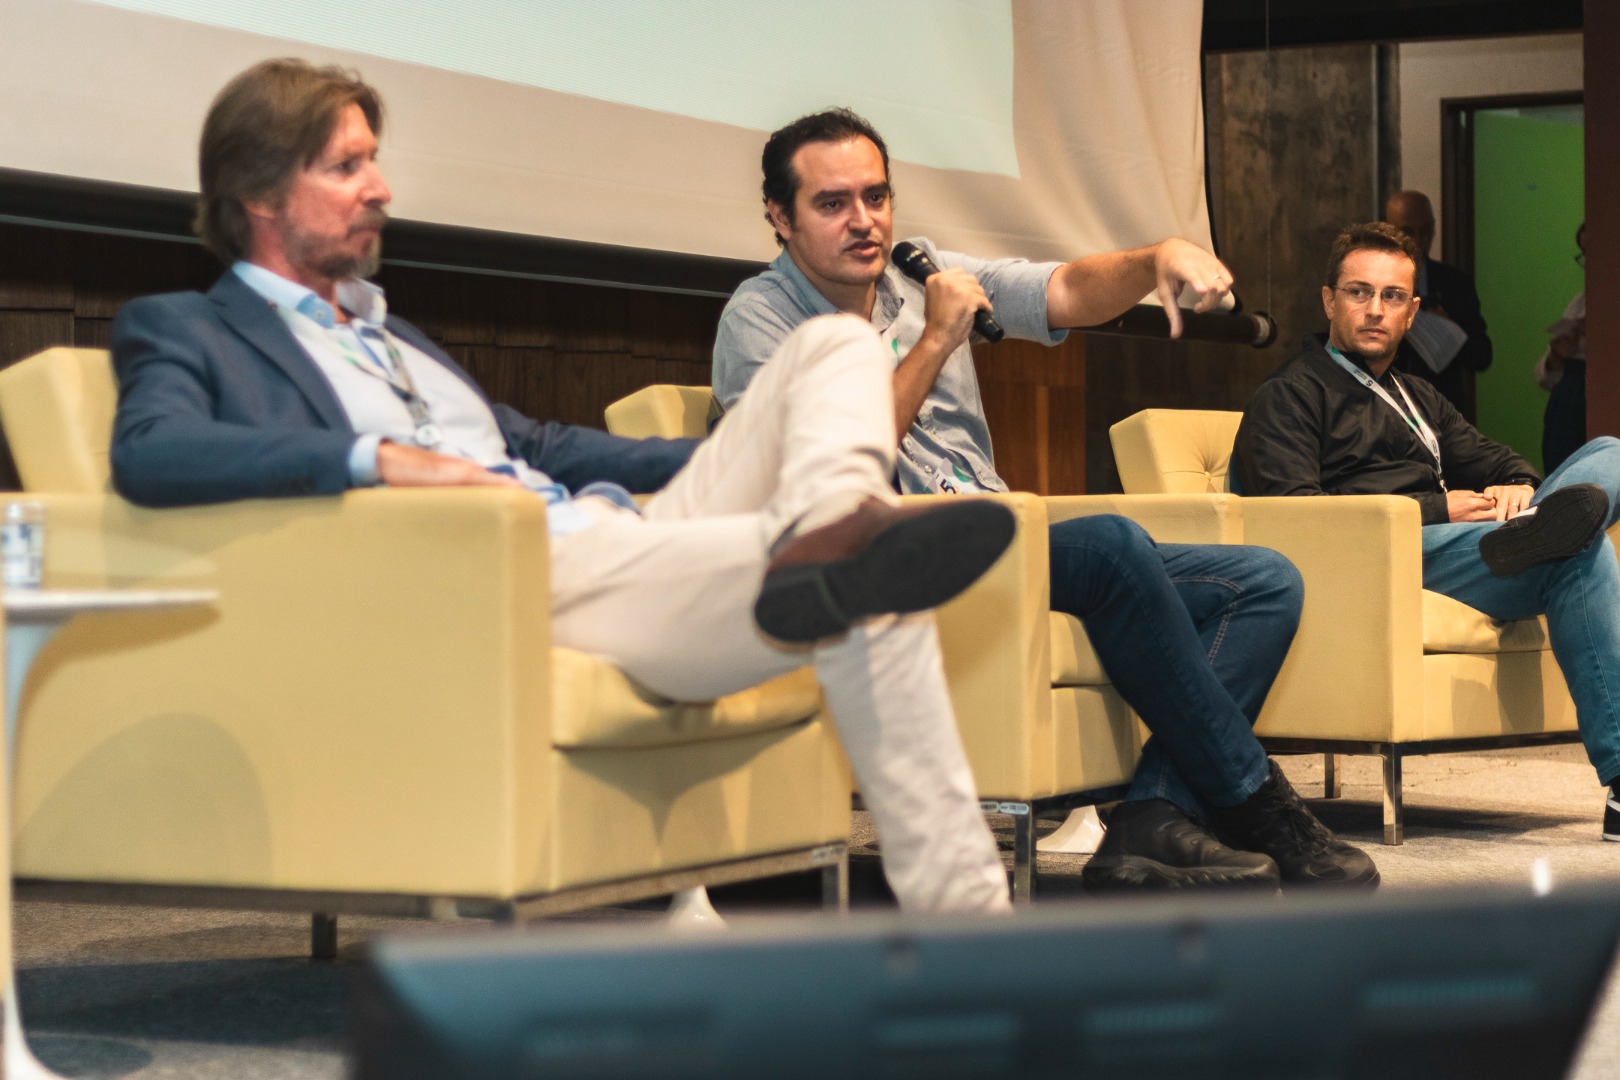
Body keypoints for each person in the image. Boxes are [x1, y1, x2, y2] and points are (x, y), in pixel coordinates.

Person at [109, 59, 1028, 914]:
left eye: (373, 162)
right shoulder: (189, 327)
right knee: (870, 586)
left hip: (612, 538)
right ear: (259, 193)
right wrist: (375, 459)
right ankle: (975, 932)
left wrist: (730, 457)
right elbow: (151, 451)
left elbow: (536, 444)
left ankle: (829, 521)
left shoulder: (389, 333)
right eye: (348, 166)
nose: (381, 187)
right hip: (513, 577)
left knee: (834, 345)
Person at [711, 108, 1379, 891]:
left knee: (1264, 580)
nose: (864, 220)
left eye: (876, 196)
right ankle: (1258, 804)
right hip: (886, 558)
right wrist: (934, 342)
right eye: (833, 204)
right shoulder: (760, 321)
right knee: (1109, 546)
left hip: (995, 540)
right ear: (780, 217)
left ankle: (1153, 817)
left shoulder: (918, 275)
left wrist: (1154, 258)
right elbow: (823, 473)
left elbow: (1062, 291)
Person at [1234, 221, 1620, 839]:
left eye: (1392, 296)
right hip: (1378, 556)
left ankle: (1541, 528)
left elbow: (1498, 459)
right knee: (1583, 545)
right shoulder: (1290, 394)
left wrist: (1520, 485)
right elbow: (1297, 517)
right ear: (1329, 301)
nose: (1375, 309)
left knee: (1610, 454)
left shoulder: (1417, 396)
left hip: (1464, 552)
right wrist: (1437, 509)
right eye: (1359, 292)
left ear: (1412, 313)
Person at [1382, 191, 1494, 418]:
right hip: (1385, 413)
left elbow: (1482, 356)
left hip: (1442, 417)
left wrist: (1450, 330)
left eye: (1425, 231)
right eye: (1407, 231)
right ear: (1387, 232)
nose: (1417, 240)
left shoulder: (1455, 284)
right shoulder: (1371, 285)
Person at [1535, 224, 1588, 473]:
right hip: (1570, 403)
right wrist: (1556, 358)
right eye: (1584, 255)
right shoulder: (1580, 301)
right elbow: (1544, 378)